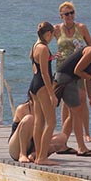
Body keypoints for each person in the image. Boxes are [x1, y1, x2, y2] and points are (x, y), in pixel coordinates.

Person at [53, 2, 91, 142]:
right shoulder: (56, 29)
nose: (69, 16)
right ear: (61, 15)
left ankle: (86, 133)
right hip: (63, 68)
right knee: (66, 101)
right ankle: (66, 133)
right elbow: (42, 42)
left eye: (72, 13)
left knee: (82, 99)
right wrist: (51, 56)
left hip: (79, 67)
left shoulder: (81, 28)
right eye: (66, 14)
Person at [28, 22, 59, 166]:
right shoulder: (44, 48)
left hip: (34, 84)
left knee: (38, 122)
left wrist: (52, 58)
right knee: (51, 122)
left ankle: (38, 154)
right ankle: (42, 157)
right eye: (52, 35)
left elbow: (37, 63)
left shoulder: (35, 45)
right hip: (42, 86)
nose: (52, 37)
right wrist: (52, 94)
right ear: (47, 34)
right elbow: (45, 73)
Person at [8, 95, 72, 162]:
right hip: (17, 146)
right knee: (29, 118)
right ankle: (22, 154)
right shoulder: (23, 108)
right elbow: (28, 131)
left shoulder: (44, 110)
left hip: (34, 144)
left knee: (62, 137)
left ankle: (34, 154)